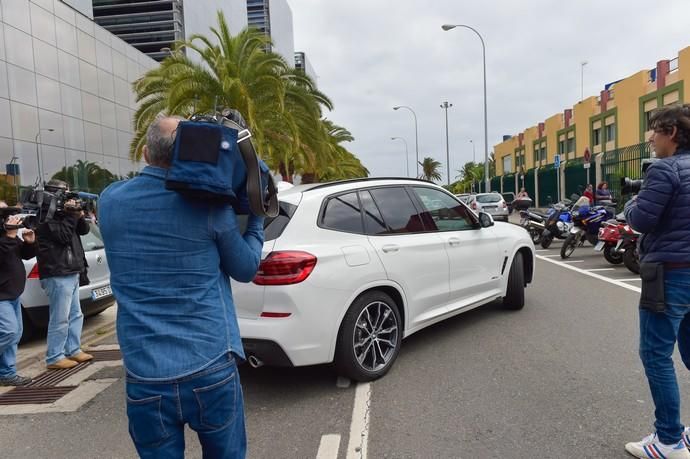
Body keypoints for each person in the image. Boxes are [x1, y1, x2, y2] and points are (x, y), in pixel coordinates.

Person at [99, 115, 264, 458]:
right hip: (210, 365)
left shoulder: (110, 201)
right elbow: (246, 268)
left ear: (145, 154)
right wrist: (257, 218)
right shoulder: (210, 208)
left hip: (145, 374)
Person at [623, 104, 690, 459]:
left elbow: (641, 220)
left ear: (672, 133)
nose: (650, 138)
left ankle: (669, 441)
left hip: (669, 273)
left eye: (654, 130)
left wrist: (634, 201)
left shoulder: (665, 171)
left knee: (655, 354)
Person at [35, 180, 93, 370]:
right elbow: (63, 237)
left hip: (71, 271)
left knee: (76, 314)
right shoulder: (45, 217)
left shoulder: (65, 216)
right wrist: (70, 216)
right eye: (64, 194)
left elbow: (83, 231)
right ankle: (54, 356)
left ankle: (73, 349)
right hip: (57, 272)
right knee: (60, 317)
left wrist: (78, 214)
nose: (67, 199)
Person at [0, 201, 36, 386]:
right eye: (4, 213)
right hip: (2, 296)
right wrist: (10, 235)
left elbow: (23, 254)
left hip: (13, 293)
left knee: (15, 334)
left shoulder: (7, 236)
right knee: (9, 331)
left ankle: (7, 373)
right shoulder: (6, 236)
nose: (9, 216)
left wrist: (29, 243)